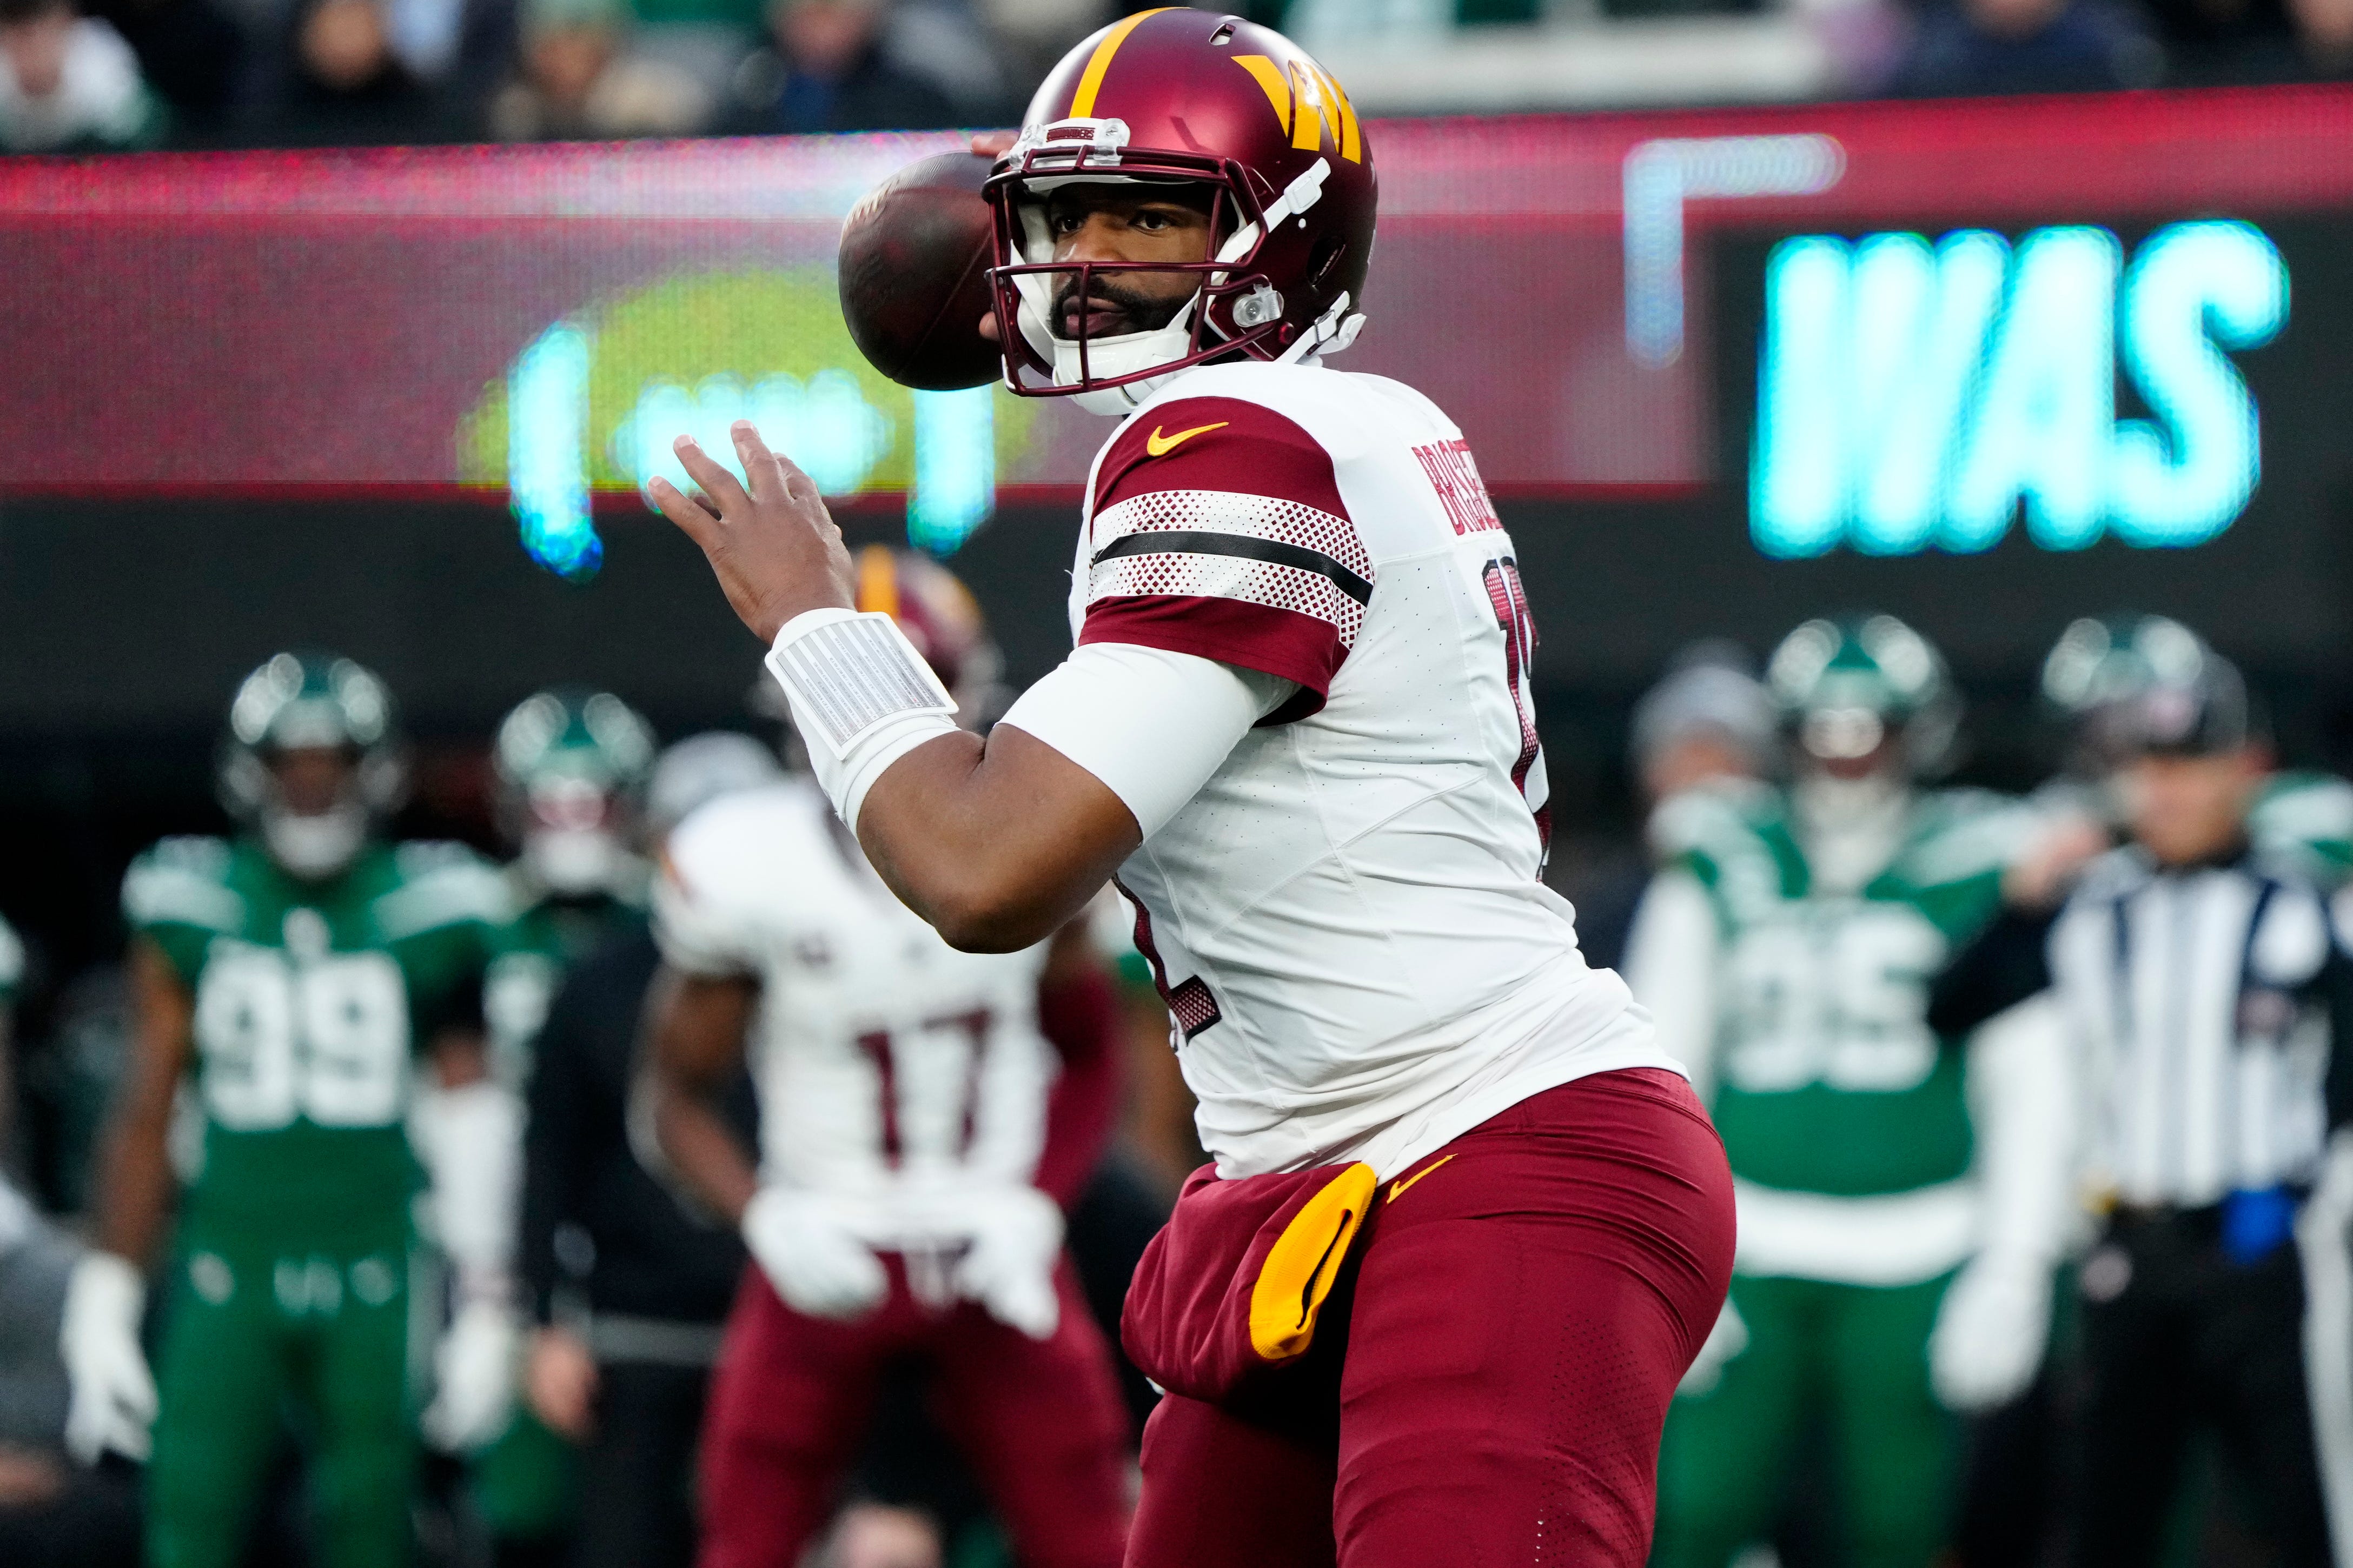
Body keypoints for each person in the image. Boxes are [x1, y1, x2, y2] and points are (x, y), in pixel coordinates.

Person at [645, 12, 1735, 1566]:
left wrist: (821, 628)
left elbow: (983, 870)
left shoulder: (1231, 437)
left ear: (1280, 236)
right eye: (1061, 213)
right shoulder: (1356, 420)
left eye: (1150, 212)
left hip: (1488, 1149)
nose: (1084, 254)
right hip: (1325, 1168)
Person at [642, 546, 1131, 1568]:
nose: (890, 728)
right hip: (830, 1239)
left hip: (992, 1246)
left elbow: (1091, 1059)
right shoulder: (750, 864)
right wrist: (768, 1217)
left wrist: (1035, 1204)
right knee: (744, 1536)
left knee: (1100, 1535)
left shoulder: (1029, 843)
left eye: (924, 689)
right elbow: (675, 1096)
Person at [1625, 614, 2073, 1568]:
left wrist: (2016, 1260)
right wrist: (1663, 1251)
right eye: (1824, 737)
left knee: (1901, 1530)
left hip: (1918, 1240)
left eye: (1871, 735)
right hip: (1747, 1238)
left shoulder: (1984, 857)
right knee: (1695, 1516)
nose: (1846, 761)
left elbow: (2029, 1082)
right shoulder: (1722, 850)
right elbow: (1658, 1063)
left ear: (1921, 733)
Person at [63, 651, 507, 1568]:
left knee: (373, 1524)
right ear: (250, 774)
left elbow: (472, 1119)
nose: (310, 789)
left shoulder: (433, 903)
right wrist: (108, 1285)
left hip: (379, 1258)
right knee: (189, 1514)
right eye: (291, 767)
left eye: (331, 766)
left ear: (373, 771)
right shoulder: (192, 898)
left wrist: (488, 1298)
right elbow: (150, 1102)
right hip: (231, 1257)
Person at [1932, 642, 2353, 1568]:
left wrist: (2316, 1183)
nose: (2166, 793)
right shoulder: (2090, 909)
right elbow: (1949, 1006)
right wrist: (2018, 904)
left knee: (2302, 1508)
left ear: (2247, 772)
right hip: (2128, 1249)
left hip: (2261, 1244)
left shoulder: (2304, 903)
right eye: (2146, 768)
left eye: (2190, 765)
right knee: (2104, 1515)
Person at [515, 730, 779, 1568]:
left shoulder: (815, 964)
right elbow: (548, 1159)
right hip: (635, 1327)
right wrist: (540, 1320)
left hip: (785, 1314)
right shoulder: (596, 986)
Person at [416, 688, 662, 1563]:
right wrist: (489, 1287)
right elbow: (451, 1099)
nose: (574, 826)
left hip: (645, 1217)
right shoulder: (470, 923)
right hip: (498, 1227)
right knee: (509, 1492)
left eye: (593, 804)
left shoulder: (670, 920)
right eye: (554, 805)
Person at [0, 0, 164, 151]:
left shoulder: (103, 67)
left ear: (67, 22)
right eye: (19, 35)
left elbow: (153, 136)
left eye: (40, 30)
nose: (32, 50)